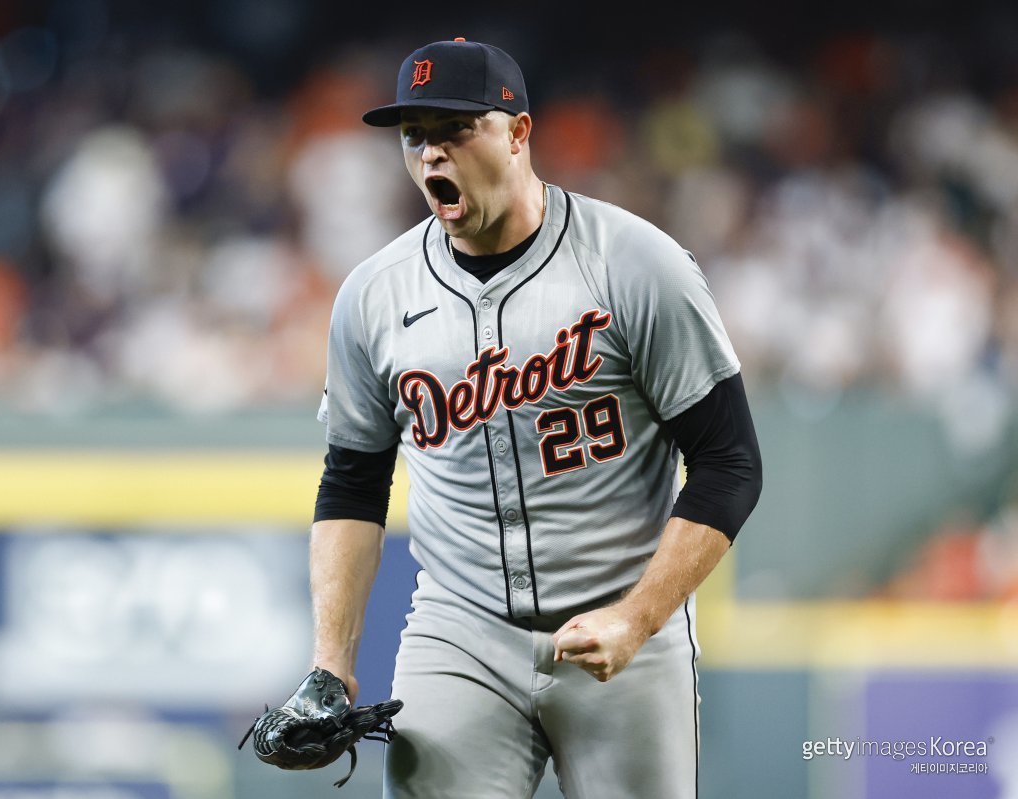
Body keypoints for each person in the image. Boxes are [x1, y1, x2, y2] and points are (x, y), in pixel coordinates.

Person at [310, 37, 762, 798]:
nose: (431, 153)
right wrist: (330, 664)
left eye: (456, 129)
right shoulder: (373, 294)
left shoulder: (633, 263)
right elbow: (352, 483)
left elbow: (729, 462)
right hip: (460, 630)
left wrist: (639, 616)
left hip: (622, 623)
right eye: (415, 135)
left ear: (518, 133)